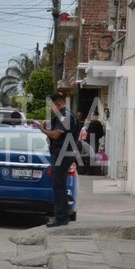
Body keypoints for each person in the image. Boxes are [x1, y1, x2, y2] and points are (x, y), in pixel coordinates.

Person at [37, 94, 80, 227]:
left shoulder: (64, 115)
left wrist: (42, 130)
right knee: (60, 186)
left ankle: (60, 218)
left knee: (59, 187)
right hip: (64, 153)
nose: (50, 109)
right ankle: (63, 216)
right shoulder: (68, 114)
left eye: (51, 105)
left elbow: (56, 134)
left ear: (58, 104)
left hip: (62, 154)